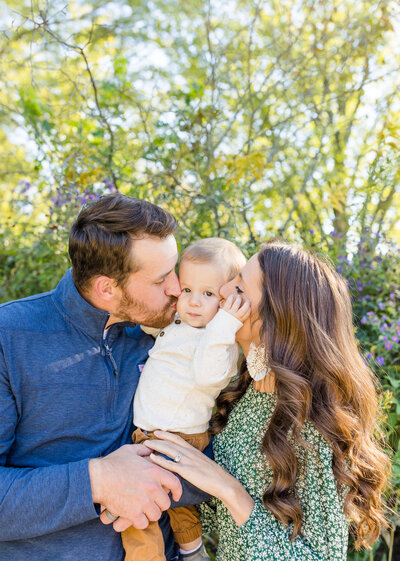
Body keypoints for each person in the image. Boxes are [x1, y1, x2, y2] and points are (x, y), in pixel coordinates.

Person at [144, 240, 391, 561]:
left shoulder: (306, 422)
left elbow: (322, 556)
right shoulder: (241, 390)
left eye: (240, 288)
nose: (223, 289)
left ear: (274, 321)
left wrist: (229, 489)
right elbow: (219, 513)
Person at [0, 194, 207, 561]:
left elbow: (212, 454)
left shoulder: (175, 336)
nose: (177, 289)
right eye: (161, 280)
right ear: (107, 288)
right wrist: (99, 480)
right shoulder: (9, 337)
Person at [122, 238, 249, 561]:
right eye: (187, 289)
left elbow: (209, 376)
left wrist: (224, 326)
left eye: (208, 294)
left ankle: (154, 556)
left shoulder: (220, 342)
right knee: (172, 505)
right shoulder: (182, 321)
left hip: (178, 435)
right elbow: (159, 333)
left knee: (137, 501)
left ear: (229, 301)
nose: (193, 302)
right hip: (157, 432)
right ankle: (192, 551)